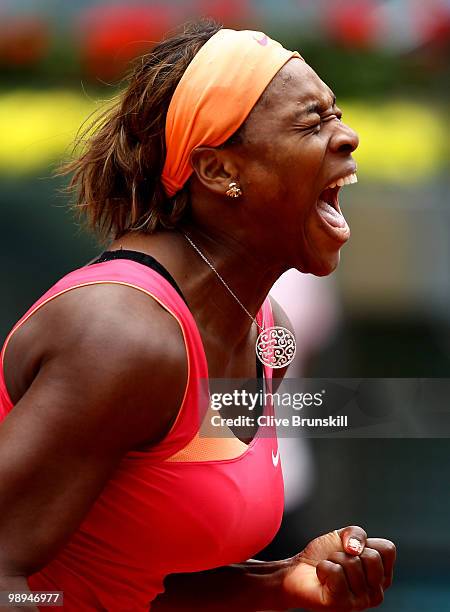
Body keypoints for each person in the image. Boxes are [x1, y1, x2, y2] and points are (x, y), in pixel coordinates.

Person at [0, 20, 396, 612]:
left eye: (335, 115)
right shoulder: (121, 338)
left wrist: (279, 583)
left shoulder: (268, 332)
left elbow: (145, 588)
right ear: (219, 171)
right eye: (313, 123)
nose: (348, 137)